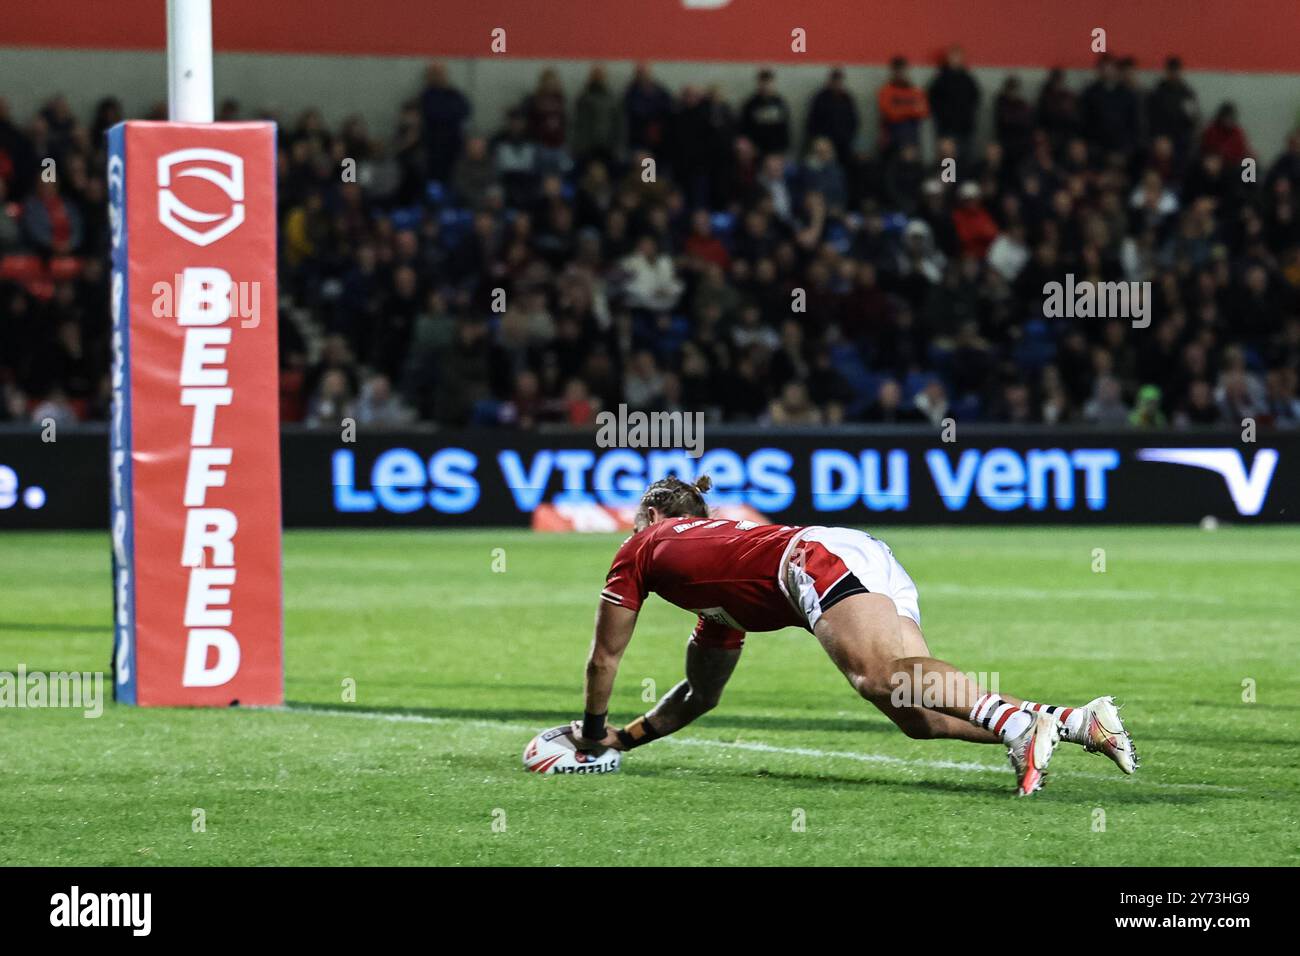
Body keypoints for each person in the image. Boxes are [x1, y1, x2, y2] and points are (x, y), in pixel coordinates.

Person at [571, 477, 1138, 796]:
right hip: (852, 555)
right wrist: (626, 738)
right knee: (914, 711)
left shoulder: (644, 545)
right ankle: (1076, 722)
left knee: (876, 676)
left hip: (815, 559)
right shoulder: (719, 586)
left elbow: (604, 658)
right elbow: (701, 694)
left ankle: (1018, 725)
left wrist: (592, 732)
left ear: (649, 513)